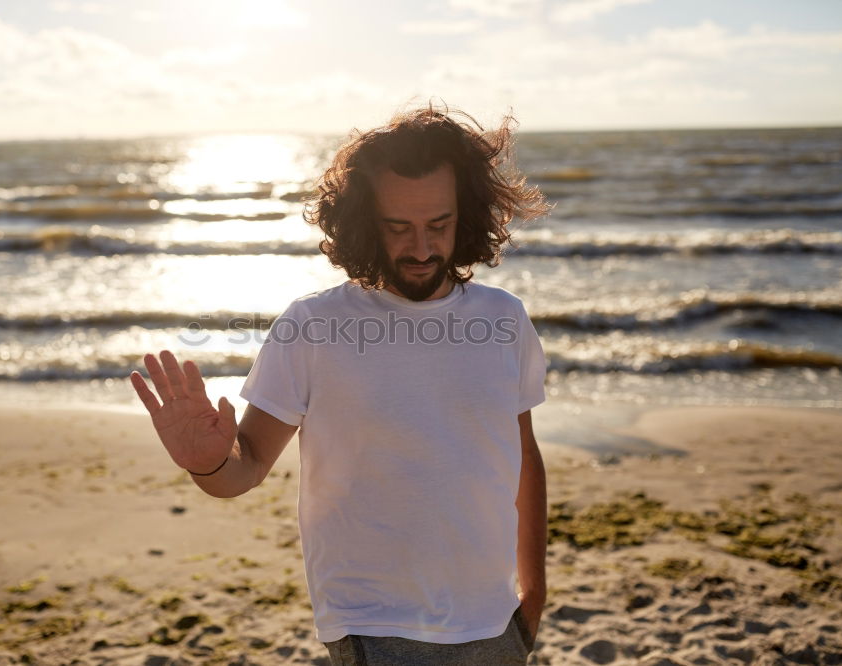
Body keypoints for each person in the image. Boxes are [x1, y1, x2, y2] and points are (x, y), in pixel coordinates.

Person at [130, 103, 551, 665]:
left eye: (439, 225)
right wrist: (206, 461)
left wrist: (535, 589)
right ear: (363, 222)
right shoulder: (313, 326)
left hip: (493, 617)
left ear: (467, 215)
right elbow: (245, 467)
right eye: (398, 228)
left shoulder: (504, 318)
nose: (422, 248)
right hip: (374, 619)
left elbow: (522, 452)